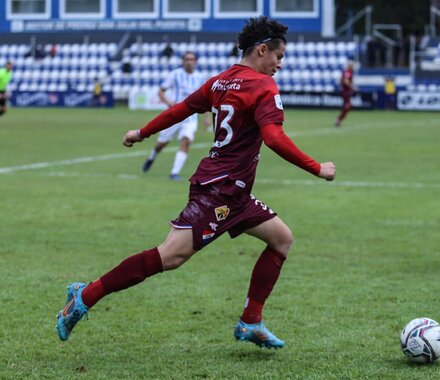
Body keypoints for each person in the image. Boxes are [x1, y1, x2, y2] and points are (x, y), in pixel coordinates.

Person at [55, 16, 336, 349]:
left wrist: (142, 132)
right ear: (262, 50)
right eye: (279, 56)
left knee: (281, 239)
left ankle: (250, 322)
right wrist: (316, 167)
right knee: (170, 256)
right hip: (219, 190)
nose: (280, 64)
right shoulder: (263, 87)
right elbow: (273, 138)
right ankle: (85, 295)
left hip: (236, 193)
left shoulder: (220, 81)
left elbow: (181, 109)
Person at [142, 51, 206, 180]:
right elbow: (161, 91)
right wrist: (170, 104)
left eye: (192, 59)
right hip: (174, 116)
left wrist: (207, 118)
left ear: (196, 61)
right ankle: (152, 157)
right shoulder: (175, 75)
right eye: (187, 59)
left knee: (186, 141)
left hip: (191, 118)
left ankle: (174, 173)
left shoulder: (200, 77)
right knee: (162, 143)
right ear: (183, 61)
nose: (189, 62)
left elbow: (204, 99)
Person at [335, 59, 357, 127]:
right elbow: (346, 81)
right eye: (352, 65)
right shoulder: (347, 72)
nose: (353, 67)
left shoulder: (348, 72)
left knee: (347, 106)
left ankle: (339, 120)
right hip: (345, 91)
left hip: (346, 91)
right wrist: (353, 88)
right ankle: (338, 119)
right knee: (348, 105)